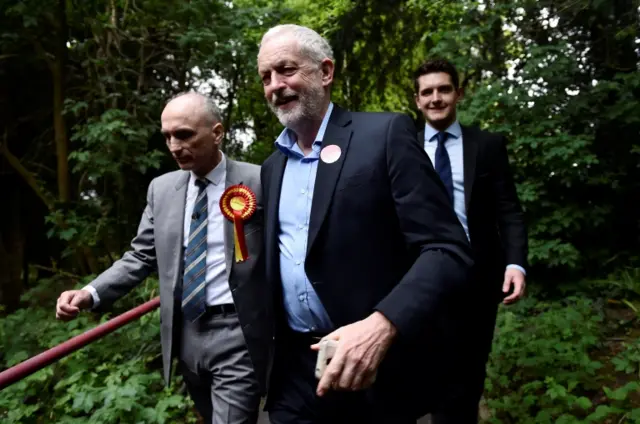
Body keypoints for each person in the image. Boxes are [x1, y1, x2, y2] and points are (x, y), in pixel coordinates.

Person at [257, 24, 474, 424]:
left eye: (286, 70)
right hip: (295, 377)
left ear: (325, 72)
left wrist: (382, 325)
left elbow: (446, 249)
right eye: (266, 77)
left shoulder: (384, 134)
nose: (275, 85)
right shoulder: (271, 169)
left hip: (374, 372)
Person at [55, 92, 272, 424]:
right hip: (185, 335)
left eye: (184, 134)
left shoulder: (261, 180)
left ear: (217, 133)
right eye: (168, 136)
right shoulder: (161, 189)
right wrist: (89, 293)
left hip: (238, 332)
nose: (173, 146)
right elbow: (140, 256)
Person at [413, 58, 529, 423]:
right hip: (419, 278)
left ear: (458, 93)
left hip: (478, 278)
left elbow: (508, 210)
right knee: (425, 372)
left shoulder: (488, 145)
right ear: (417, 100)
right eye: (427, 92)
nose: (435, 98)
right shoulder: (404, 148)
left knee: (468, 375)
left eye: (443, 89)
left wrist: (515, 263)